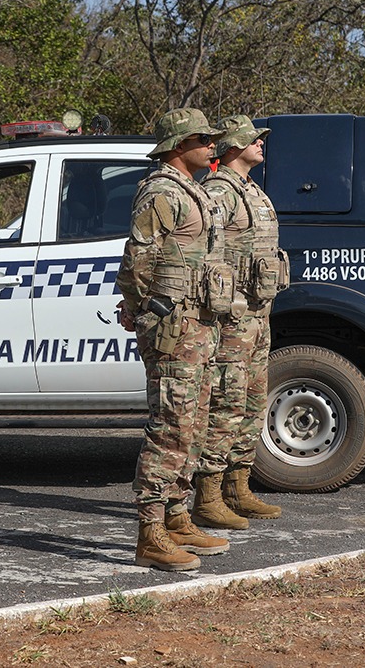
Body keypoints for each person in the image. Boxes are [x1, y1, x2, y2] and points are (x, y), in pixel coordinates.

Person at [116, 107, 234, 571]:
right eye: (203, 138)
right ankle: (150, 532)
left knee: (196, 424)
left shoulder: (195, 192)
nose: (212, 145)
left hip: (200, 326)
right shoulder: (162, 192)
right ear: (178, 145)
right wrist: (145, 311)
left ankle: (178, 515)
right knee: (171, 427)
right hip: (174, 327)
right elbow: (137, 262)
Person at [192, 114, 288, 530]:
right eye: (253, 140)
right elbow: (204, 250)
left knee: (252, 400)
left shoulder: (251, 190)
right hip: (231, 317)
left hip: (257, 314)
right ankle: (208, 496)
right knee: (226, 402)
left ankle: (238, 487)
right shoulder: (218, 192)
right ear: (233, 147)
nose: (261, 145)